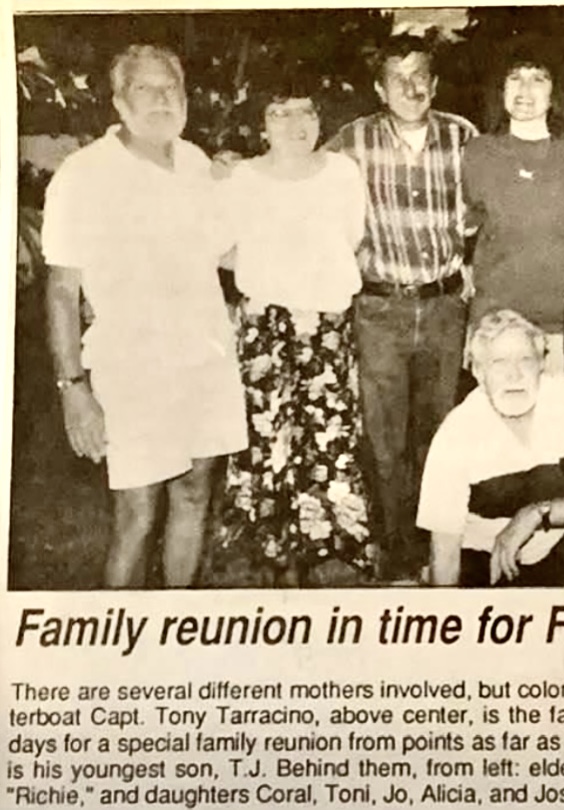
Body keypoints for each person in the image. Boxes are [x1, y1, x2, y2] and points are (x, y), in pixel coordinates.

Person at [41, 44, 246, 588]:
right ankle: (115, 647)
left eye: (170, 88)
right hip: (131, 370)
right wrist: (74, 389)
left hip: (204, 361)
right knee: (136, 515)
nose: (161, 99)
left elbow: (229, 253)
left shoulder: (199, 163)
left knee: (195, 493)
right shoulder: (82, 175)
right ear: (117, 100)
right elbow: (62, 291)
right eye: (144, 88)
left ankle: (173, 628)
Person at [324, 35, 478, 581]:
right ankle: (397, 552)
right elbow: (301, 185)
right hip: (380, 310)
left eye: (421, 77)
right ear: (378, 87)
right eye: (398, 78)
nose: (411, 88)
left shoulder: (464, 137)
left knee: (440, 435)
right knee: (384, 440)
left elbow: (487, 213)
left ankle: (442, 552)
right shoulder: (350, 141)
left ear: (434, 83)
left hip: (443, 309)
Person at [220, 78, 372, 585]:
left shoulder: (343, 173)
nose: (294, 124)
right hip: (266, 325)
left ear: (320, 120)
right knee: (270, 440)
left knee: (328, 438)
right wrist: (264, 278)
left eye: (304, 112)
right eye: (280, 113)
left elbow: (350, 238)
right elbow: (221, 246)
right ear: (262, 125)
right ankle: (274, 551)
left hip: (325, 324)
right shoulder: (242, 177)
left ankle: (327, 549)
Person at [417, 309, 564, 587]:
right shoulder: (455, 435)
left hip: (558, 547)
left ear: (541, 365)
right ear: (478, 372)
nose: (514, 375)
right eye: (499, 362)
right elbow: (445, 554)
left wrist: (537, 515)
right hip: (488, 561)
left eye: (525, 360)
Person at [464, 44, 564, 374]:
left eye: (538, 78)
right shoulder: (478, 151)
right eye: (515, 77)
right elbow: (468, 227)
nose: (525, 89)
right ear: (500, 87)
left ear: (555, 91)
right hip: (499, 322)